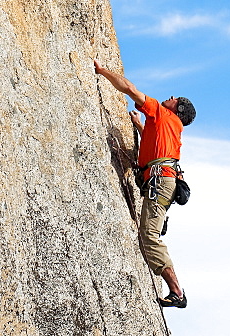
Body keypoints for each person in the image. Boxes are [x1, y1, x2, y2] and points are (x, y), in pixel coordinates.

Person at [94, 60, 196, 310]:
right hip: (164, 181)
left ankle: (176, 292)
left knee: (149, 235)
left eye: (176, 99)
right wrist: (140, 126)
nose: (170, 96)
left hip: (161, 182)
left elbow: (129, 88)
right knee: (153, 226)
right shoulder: (169, 126)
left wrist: (102, 70)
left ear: (177, 109)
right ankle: (160, 229)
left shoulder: (164, 115)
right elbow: (156, 147)